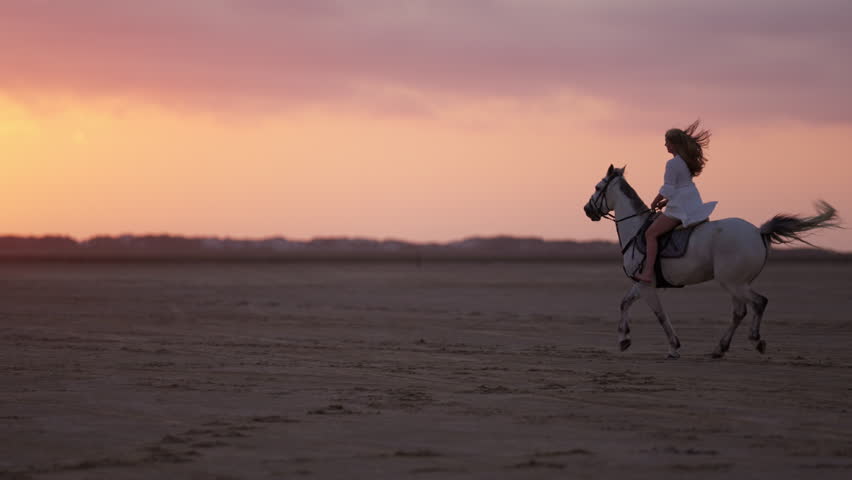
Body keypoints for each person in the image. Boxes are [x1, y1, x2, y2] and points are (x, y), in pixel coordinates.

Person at [635, 120, 717, 284]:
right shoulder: (685, 162)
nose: (665, 145)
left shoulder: (672, 163)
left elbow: (668, 187)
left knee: (650, 234)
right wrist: (665, 202)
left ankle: (648, 273)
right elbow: (681, 187)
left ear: (673, 144)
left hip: (680, 207)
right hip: (691, 201)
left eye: (667, 142)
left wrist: (655, 201)